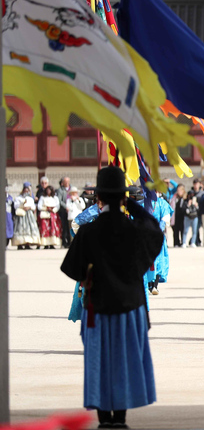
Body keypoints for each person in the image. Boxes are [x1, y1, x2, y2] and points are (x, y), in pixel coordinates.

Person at [61, 166, 164, 429]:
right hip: (130, 309)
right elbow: (156, 231)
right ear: (123, 198)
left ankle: (104, 419)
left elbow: (73, 270)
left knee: (99, 363)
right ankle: (121, 419)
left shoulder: (88, 231)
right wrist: (131, 203)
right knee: (124, 361)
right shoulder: (135, 230)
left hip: (97, 308)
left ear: (100, 199)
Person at [145, 189, 173, 295]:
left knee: (159, 260)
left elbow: (165, 218)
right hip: (145, 235)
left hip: (157, 235)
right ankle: (148, 284)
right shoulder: (142, 202)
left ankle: (155, 285)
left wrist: (156, 230)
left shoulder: (162, 203)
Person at [37, 185, 62, 249]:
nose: (48, 191)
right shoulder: (43, 197)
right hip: (45, 215)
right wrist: (46, 208)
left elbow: (57, 206)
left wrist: (53, 210)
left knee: (53, 228)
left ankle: (52, 244)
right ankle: (45, 244)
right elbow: (39, 206)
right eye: (47, 190)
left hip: (53, 215)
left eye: (49, 190)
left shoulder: (55, 198)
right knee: (44, 229)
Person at [56, 177, 72, 248]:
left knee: (70, 226)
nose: (66, 183)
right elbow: (59, 201)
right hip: (63, 211)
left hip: (71, 212)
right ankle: (64, 242)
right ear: (62, 182)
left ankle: (70, 241)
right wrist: (66, 207)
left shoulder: (71, 189)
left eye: (68, 181)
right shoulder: (60, 190)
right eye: (65, 182)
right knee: (64, 226)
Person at [5, 183, 14, 248]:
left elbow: (13, 207)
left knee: (9, 228)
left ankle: (6, 243)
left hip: (8, 215)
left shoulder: (10, 197)